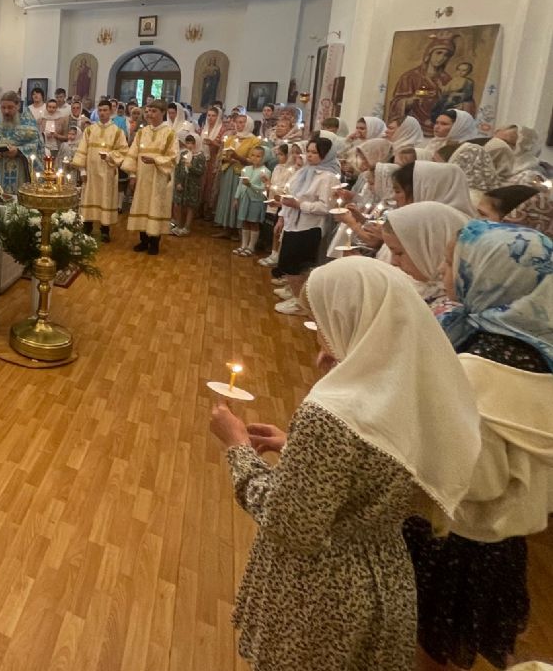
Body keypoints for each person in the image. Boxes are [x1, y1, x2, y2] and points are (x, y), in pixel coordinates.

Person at [210, 257, 481, 671]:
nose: (319, 338)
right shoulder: (412, 389)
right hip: (385, 576)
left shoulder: (332, 413)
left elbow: (292, 525)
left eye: (320, 322)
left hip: (321, 592)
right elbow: (375, 467)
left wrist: (237, 448)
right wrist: (294, 447)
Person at [410, 221, 553, 670]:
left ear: (489, 276)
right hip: (502, 540)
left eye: (452, 261)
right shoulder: (535, 351)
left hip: (453, 540)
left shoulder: (482, 367)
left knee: (431, 648)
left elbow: (476, 478)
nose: (442, 268)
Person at [272, 136, 339, 313]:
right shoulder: (304, 172)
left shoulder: (328, 177)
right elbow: (291, 194)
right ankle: (296, 295)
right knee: (288, 263)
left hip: (309, 226)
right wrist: (282, 214)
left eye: (314, 153)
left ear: (326, 155)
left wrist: (299, 204)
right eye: (308, 151)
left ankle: (301, 304)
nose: (309, 156)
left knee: (297, 265)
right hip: (293, 223)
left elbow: (326, 207)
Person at [379, 201, 468, 304]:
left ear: (432, 247)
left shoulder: (455, 305)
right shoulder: (423, 288)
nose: (394, 262)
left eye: (399, 253)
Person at [123, 99, 178, 255]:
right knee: (142, 205)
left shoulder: (169, 134)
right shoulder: (142, 132)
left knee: (156, 207)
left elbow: (173, 157)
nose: (150, 114)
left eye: (154, 111)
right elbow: (133, 154)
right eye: (148, 111)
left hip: (159, 177)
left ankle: (154, 242)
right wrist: (132, 175)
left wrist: (155, 160)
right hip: (142, 177)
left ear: (163, 113)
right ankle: (143, 240)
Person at [70, 99, 127, 241]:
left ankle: (105, 230)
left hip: (107, 172)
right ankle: (87, 226)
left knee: (105, 199)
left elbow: (123, 151)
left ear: (111, 111)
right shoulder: (90, 130)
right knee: (89, 197)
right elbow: (82, 150)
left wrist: (109, 156)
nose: (102, 113)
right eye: (100, 110)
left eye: (105, 110)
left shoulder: (117, 132)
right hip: (91, 172)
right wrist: (82, 171)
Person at [0, 91, 41, 193]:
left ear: (18, 106)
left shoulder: (28, 121)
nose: (6, 111)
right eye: (3, 107)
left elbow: (36, 144)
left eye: (10, 107)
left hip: (18, 169)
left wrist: (18, 151)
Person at [213, 115, 259, 241]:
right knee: (226, 199)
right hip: (228, 172)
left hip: (242, 173)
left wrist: (237, 157)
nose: (239, 125)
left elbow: (254, 160)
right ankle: (226, 228)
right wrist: (226, 158)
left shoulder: (254, 141)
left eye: (242, 122)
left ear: (249, 124)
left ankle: (237, 230)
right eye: (238, 122)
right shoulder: (231, 138)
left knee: (237, 200)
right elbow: (223, 155)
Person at [234, 144, 269, 257]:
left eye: (258, 156)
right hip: (245, 198)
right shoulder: (246, 169)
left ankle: (251, 246)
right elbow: (240, 184)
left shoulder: (265, 172)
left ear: (264, 158)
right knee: (244, 221)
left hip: (256, 200)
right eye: (253, 155)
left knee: (253, 223)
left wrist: (251, 185)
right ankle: (244, 245)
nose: (255, 158)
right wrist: (236, 197)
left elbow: (264, 189)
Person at [170, 133, 207, 238]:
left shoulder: (200, 157)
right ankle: (178, 225)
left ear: (197, 143)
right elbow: (178, 169)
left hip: (192, 185)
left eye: (192, 143)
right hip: (182, 184)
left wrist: (191, 167)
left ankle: (186, 227)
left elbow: (200, 171)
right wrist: (178, 182)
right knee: (178, 204)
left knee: (190, 206)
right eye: (187, 142)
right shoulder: (183, 154)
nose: (189, 145)